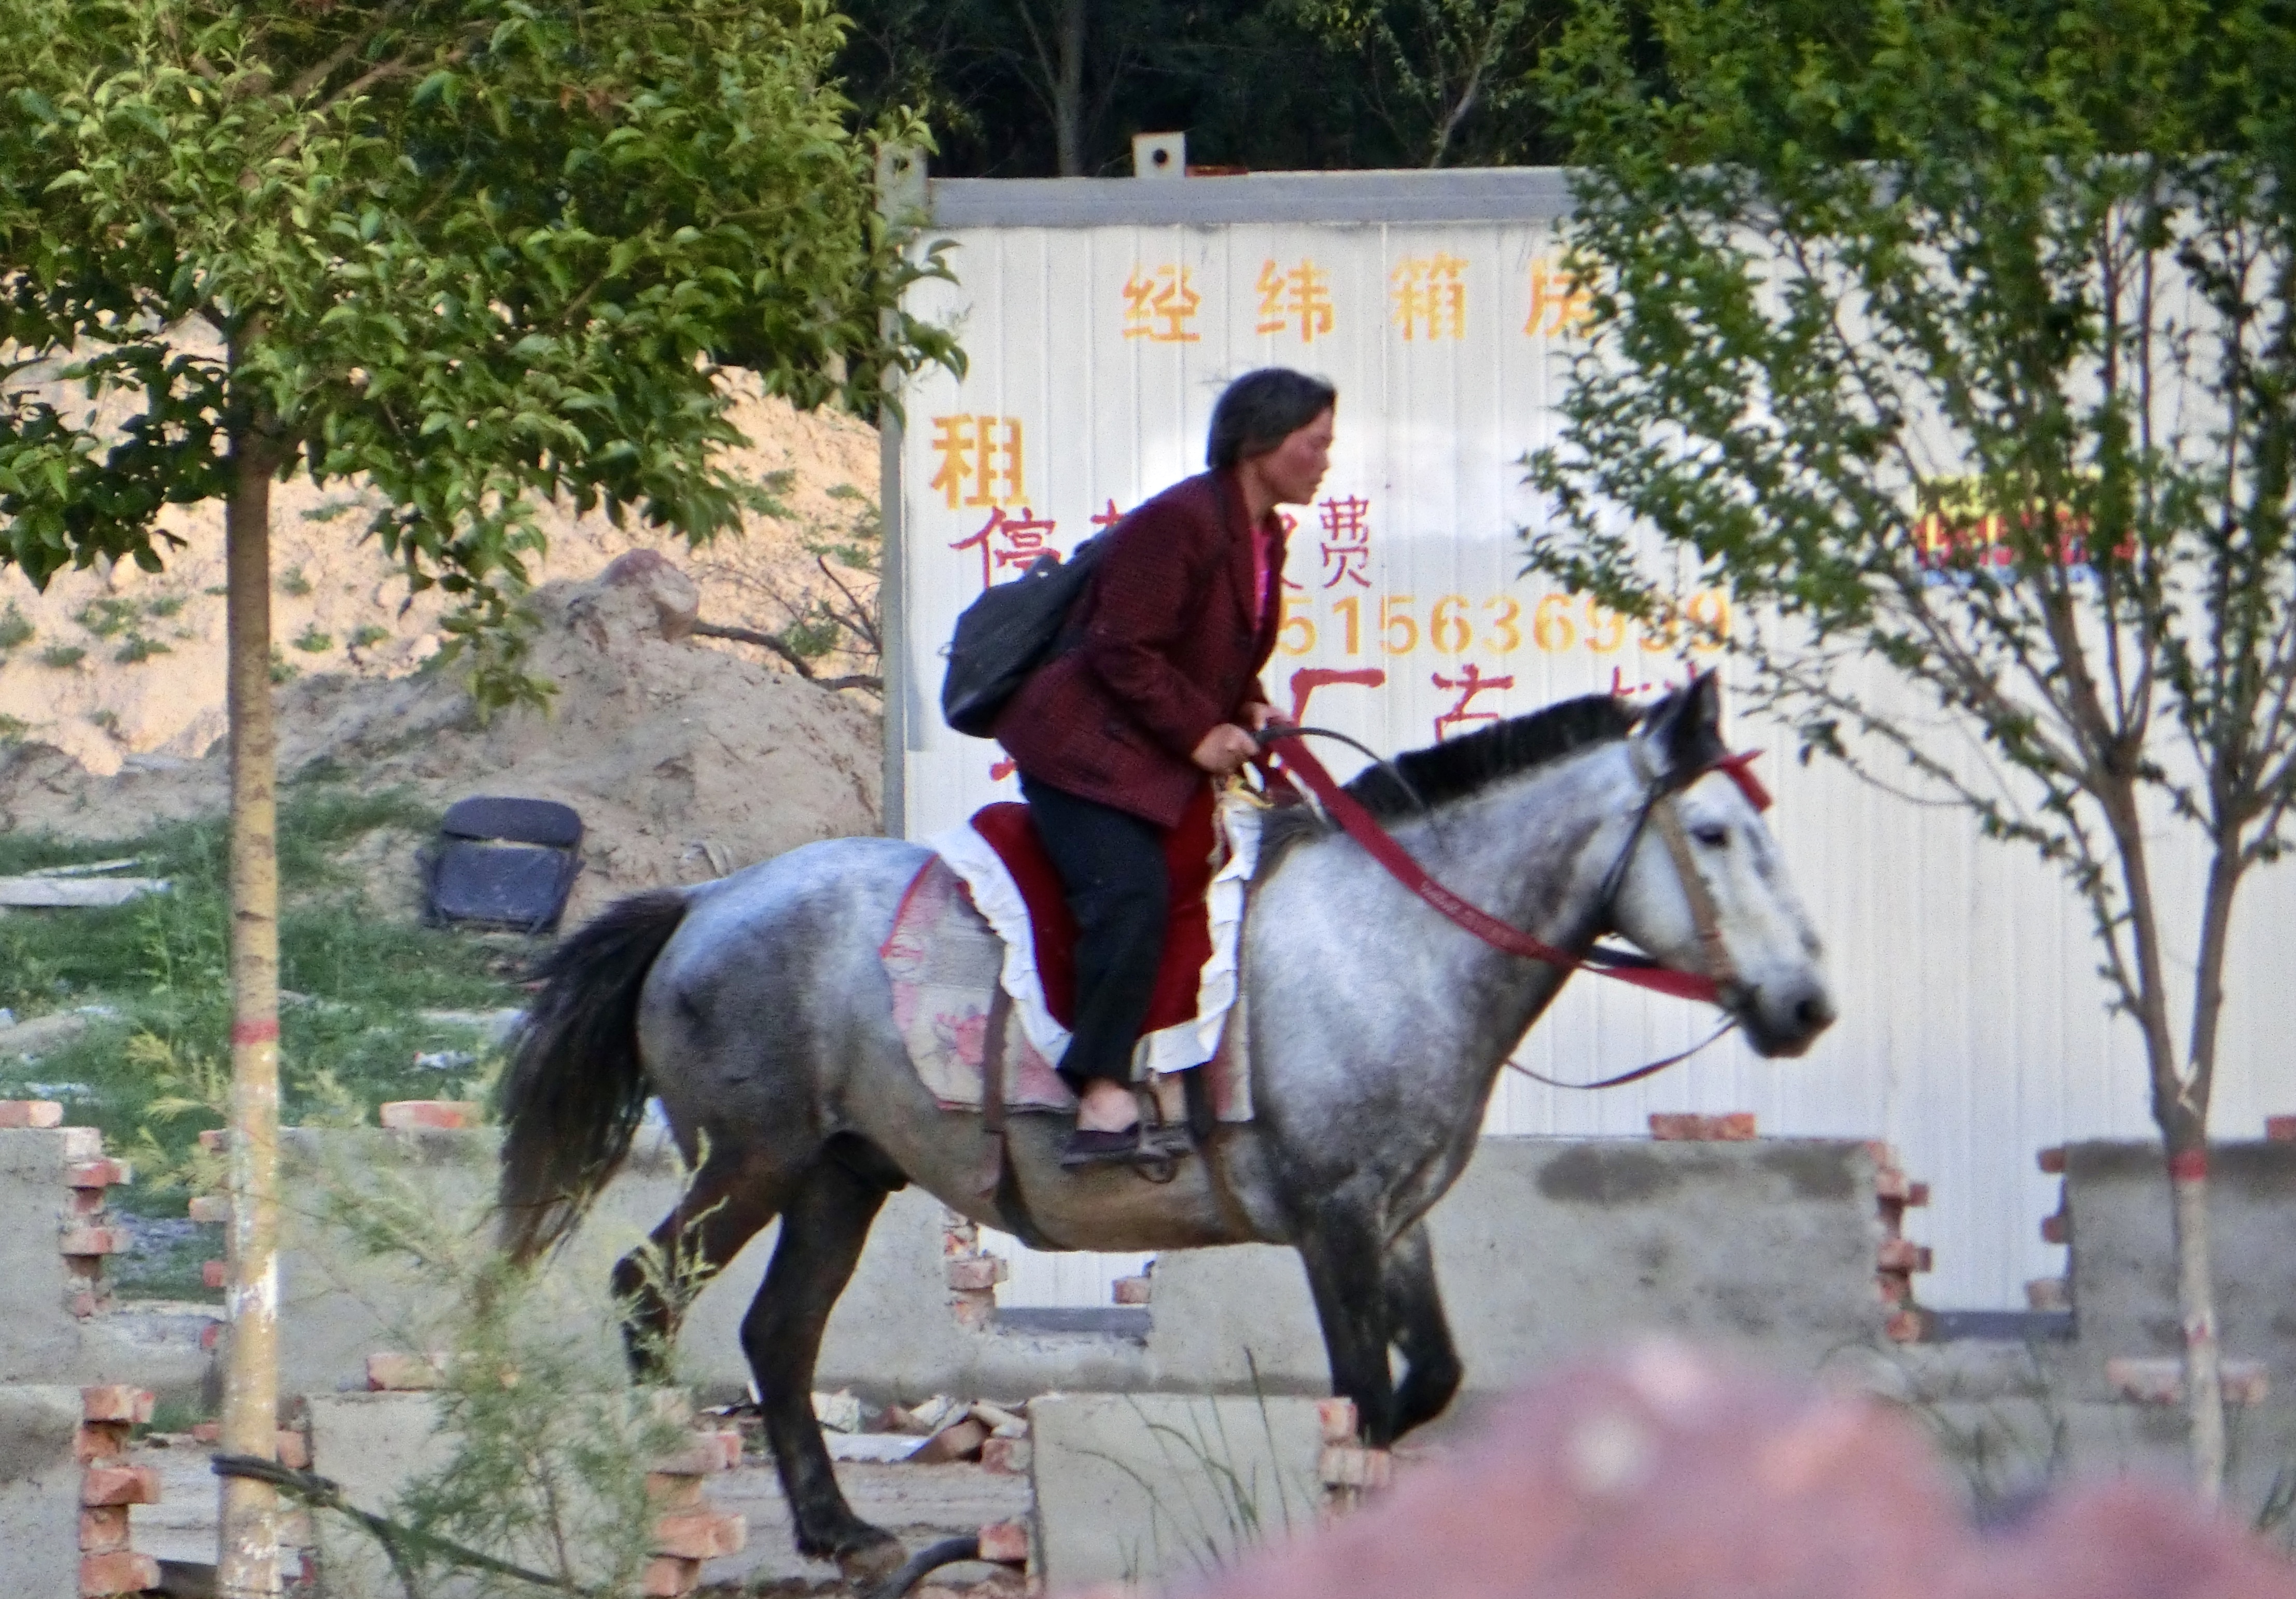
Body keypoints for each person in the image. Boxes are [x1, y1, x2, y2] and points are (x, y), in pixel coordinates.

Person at [993, 368, 1336, 1165]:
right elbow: (1121, 647)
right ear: (1259, 444)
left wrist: (1249, 705)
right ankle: (1101, 1094)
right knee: (1130, 892)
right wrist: (1199, 735)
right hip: (1083, 755)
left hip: (1145, 756)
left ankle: (1185, 1080)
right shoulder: (1178, 522)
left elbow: (1217, 653)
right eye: (1314, 444)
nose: (1325, 462)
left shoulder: (1262, 533)